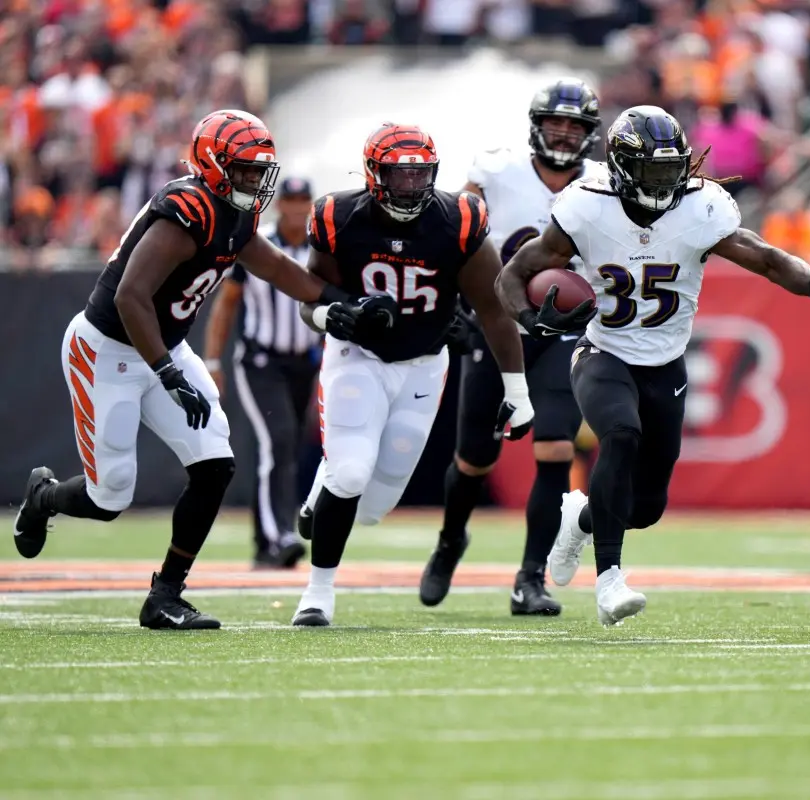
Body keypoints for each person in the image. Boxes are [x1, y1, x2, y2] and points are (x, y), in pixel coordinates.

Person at [496, 105, 810, 626]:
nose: (661, 181)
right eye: (649, 170)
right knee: (619, 435)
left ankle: (577, 518)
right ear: (622, 167)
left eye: (670, 170)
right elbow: (512, 275)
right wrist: (533, 321)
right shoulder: (586, 206)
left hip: (666, 363)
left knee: (645, 507)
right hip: (603, 350)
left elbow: (763, 257)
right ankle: (609, 583)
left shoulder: (701, 207)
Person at [12, 110, 360, 630]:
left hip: (163, 349)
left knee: (215, 464)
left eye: (257, 169)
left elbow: (278, 268)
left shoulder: (234, 215)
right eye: (243, 169)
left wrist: (341, 300)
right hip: (107, 349)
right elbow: (131, 297)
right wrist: (168, 375)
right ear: (214, 164)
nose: (253, 180)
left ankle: (166, 594)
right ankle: (43, 497)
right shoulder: (188, 210)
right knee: (110, 496)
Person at [290, 123, 534, 627]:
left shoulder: (457, 218)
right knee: (352, 471)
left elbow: (491, 308)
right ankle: (317, 594)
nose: (411, 186)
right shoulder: (339, 216)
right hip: (358, 356)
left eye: (420, 175)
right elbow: (310, 294)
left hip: (424, 363)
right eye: (400, 177)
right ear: (375, 176)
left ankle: (323, 491)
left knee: (375, 504)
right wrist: (331, 315)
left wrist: (517, 388)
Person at [420, 77, 605, 617]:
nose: (565, 134)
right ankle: (452, 538)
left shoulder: (601, 182)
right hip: (498, 330)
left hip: (565, 332)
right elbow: (456, 233)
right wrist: (452, 297)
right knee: (474, 460)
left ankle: (531, 578)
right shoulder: (496, 171)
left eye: (576, 125)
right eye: (556, 123)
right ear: (536, 126)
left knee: (554, 450)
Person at [203, 176, 321, 570]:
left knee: (283, 447)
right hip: (260, 362)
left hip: (304, 362)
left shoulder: (318, 248)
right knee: (279, 439)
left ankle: (264, 543)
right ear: (280, 204)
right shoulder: (258, 243)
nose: (297, 208)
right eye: (291, 200)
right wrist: (213, 361)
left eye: (304, 200)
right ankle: (279, 534)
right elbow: (226, 303)